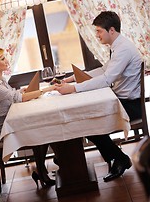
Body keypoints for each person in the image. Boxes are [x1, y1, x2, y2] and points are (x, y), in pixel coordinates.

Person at [54, 11, 143, 182]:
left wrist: (73, 88)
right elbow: (104, 70)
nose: (97, 35)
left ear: (111, 30)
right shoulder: (119, 45)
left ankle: (119, 159)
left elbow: (107, 78)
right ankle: (113, 158)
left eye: (99, 31)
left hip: (131, 105)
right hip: (123, 100)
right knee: (88, 121)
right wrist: (73, 77)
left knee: (89, 123)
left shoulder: (123, 49)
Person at [0, 46, 55, 187]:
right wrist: (45, 90)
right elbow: (18, 98)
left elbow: (12, 95)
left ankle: (42, 170)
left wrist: (21, 90)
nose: (6, 61)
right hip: (3, 128)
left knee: (43, 128)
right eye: (2, 59)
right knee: (41, 131)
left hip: (10, 121)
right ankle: (43, 170)